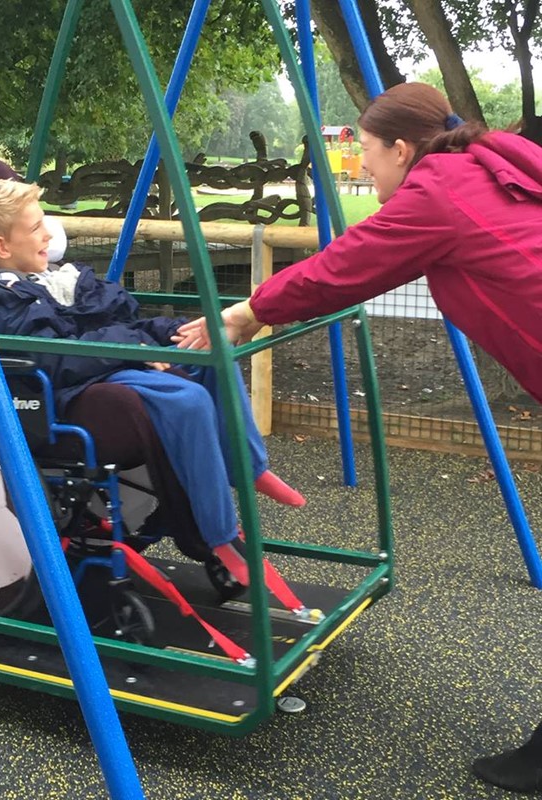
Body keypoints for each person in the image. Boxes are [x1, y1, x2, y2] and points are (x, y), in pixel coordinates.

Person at [174, 81, 542, 792]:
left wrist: (250, 311)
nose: (364, 170)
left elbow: (346, 266)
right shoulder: (497, 165)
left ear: (402, 149)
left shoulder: (438, 192)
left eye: (367, 155)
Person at [0, 178, 307, 602]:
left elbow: (127, 321)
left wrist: (172, 333)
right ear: (0, 246)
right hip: (75, 390)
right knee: (187, 398)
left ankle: (248, 467)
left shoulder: (65, 278)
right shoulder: (4, 297)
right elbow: (55, 358)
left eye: (44, 223)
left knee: (214, 352)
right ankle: (218, 537)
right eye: (34, 229)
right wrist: (130, 349)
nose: (49, 234)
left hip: (114, 362)